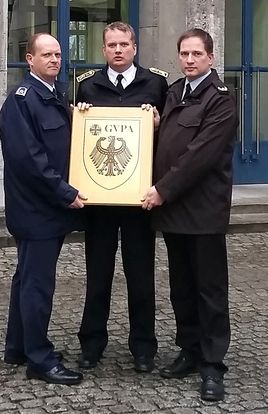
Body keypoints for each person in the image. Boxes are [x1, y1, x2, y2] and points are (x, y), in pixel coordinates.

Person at [142, 28, 237, 401]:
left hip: (203, 211)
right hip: (175, 212)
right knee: (181, 287)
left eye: (197, 54)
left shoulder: (221, 100)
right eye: (184, 54)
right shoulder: (174, 93)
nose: (190, 60)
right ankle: (190, 349)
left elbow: (200, 155)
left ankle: (213, 365)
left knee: (209, 290)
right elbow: (167, 142)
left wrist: (161, 189)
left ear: (211, 58)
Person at [75, 21, 168, 372]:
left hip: (139, 201)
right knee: (97, 276)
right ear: (103, 49)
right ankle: (91, 344)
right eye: (111, 44)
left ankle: (143, 348)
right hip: (100, 202)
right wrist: (80, 117)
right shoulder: (88, 87)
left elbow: (169, 137)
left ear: (134, 47)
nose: (117, 50)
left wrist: (158, 124)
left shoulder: (156, 84)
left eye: (124, 44)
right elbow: (80, 142)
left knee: (141, 277)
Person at [0, 33, 86, 385]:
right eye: (46, 54)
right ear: (29, 59)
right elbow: (31, 162)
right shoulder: (22, 101)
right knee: (37, 285)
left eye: (58, 54)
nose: (54, 59)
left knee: (25, 279)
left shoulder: (54, 96)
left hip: (46, 210)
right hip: (36, 211)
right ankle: (39, 359)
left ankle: (18, 346)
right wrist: (66, 193)